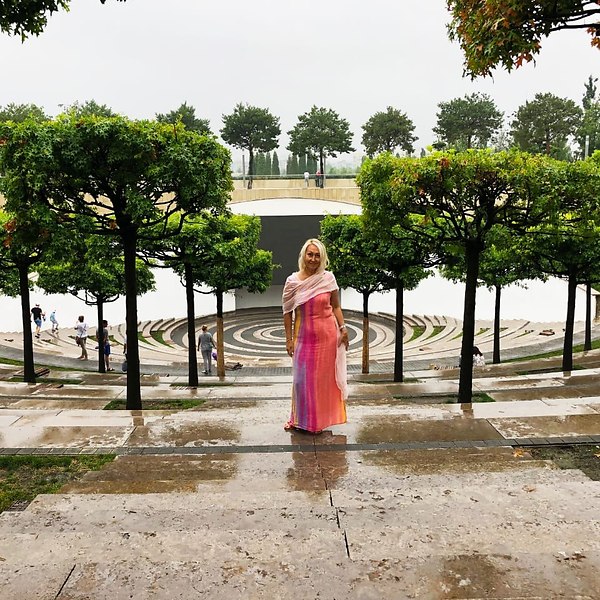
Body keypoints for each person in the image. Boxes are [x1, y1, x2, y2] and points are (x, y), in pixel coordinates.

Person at [282, 238, 349, 433]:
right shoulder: (292, 282)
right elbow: (287, 312)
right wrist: (288, 339)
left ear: (322, 258)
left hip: (328, 337)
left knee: (322, 382)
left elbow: (336, 306)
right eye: (310, 254)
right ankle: (299, 420)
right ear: (303, 255)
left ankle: (317, 422)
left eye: (317, 255)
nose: (313, 259)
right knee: (301, 381)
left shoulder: (328, 278)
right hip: (303, 338)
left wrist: (343, 328)